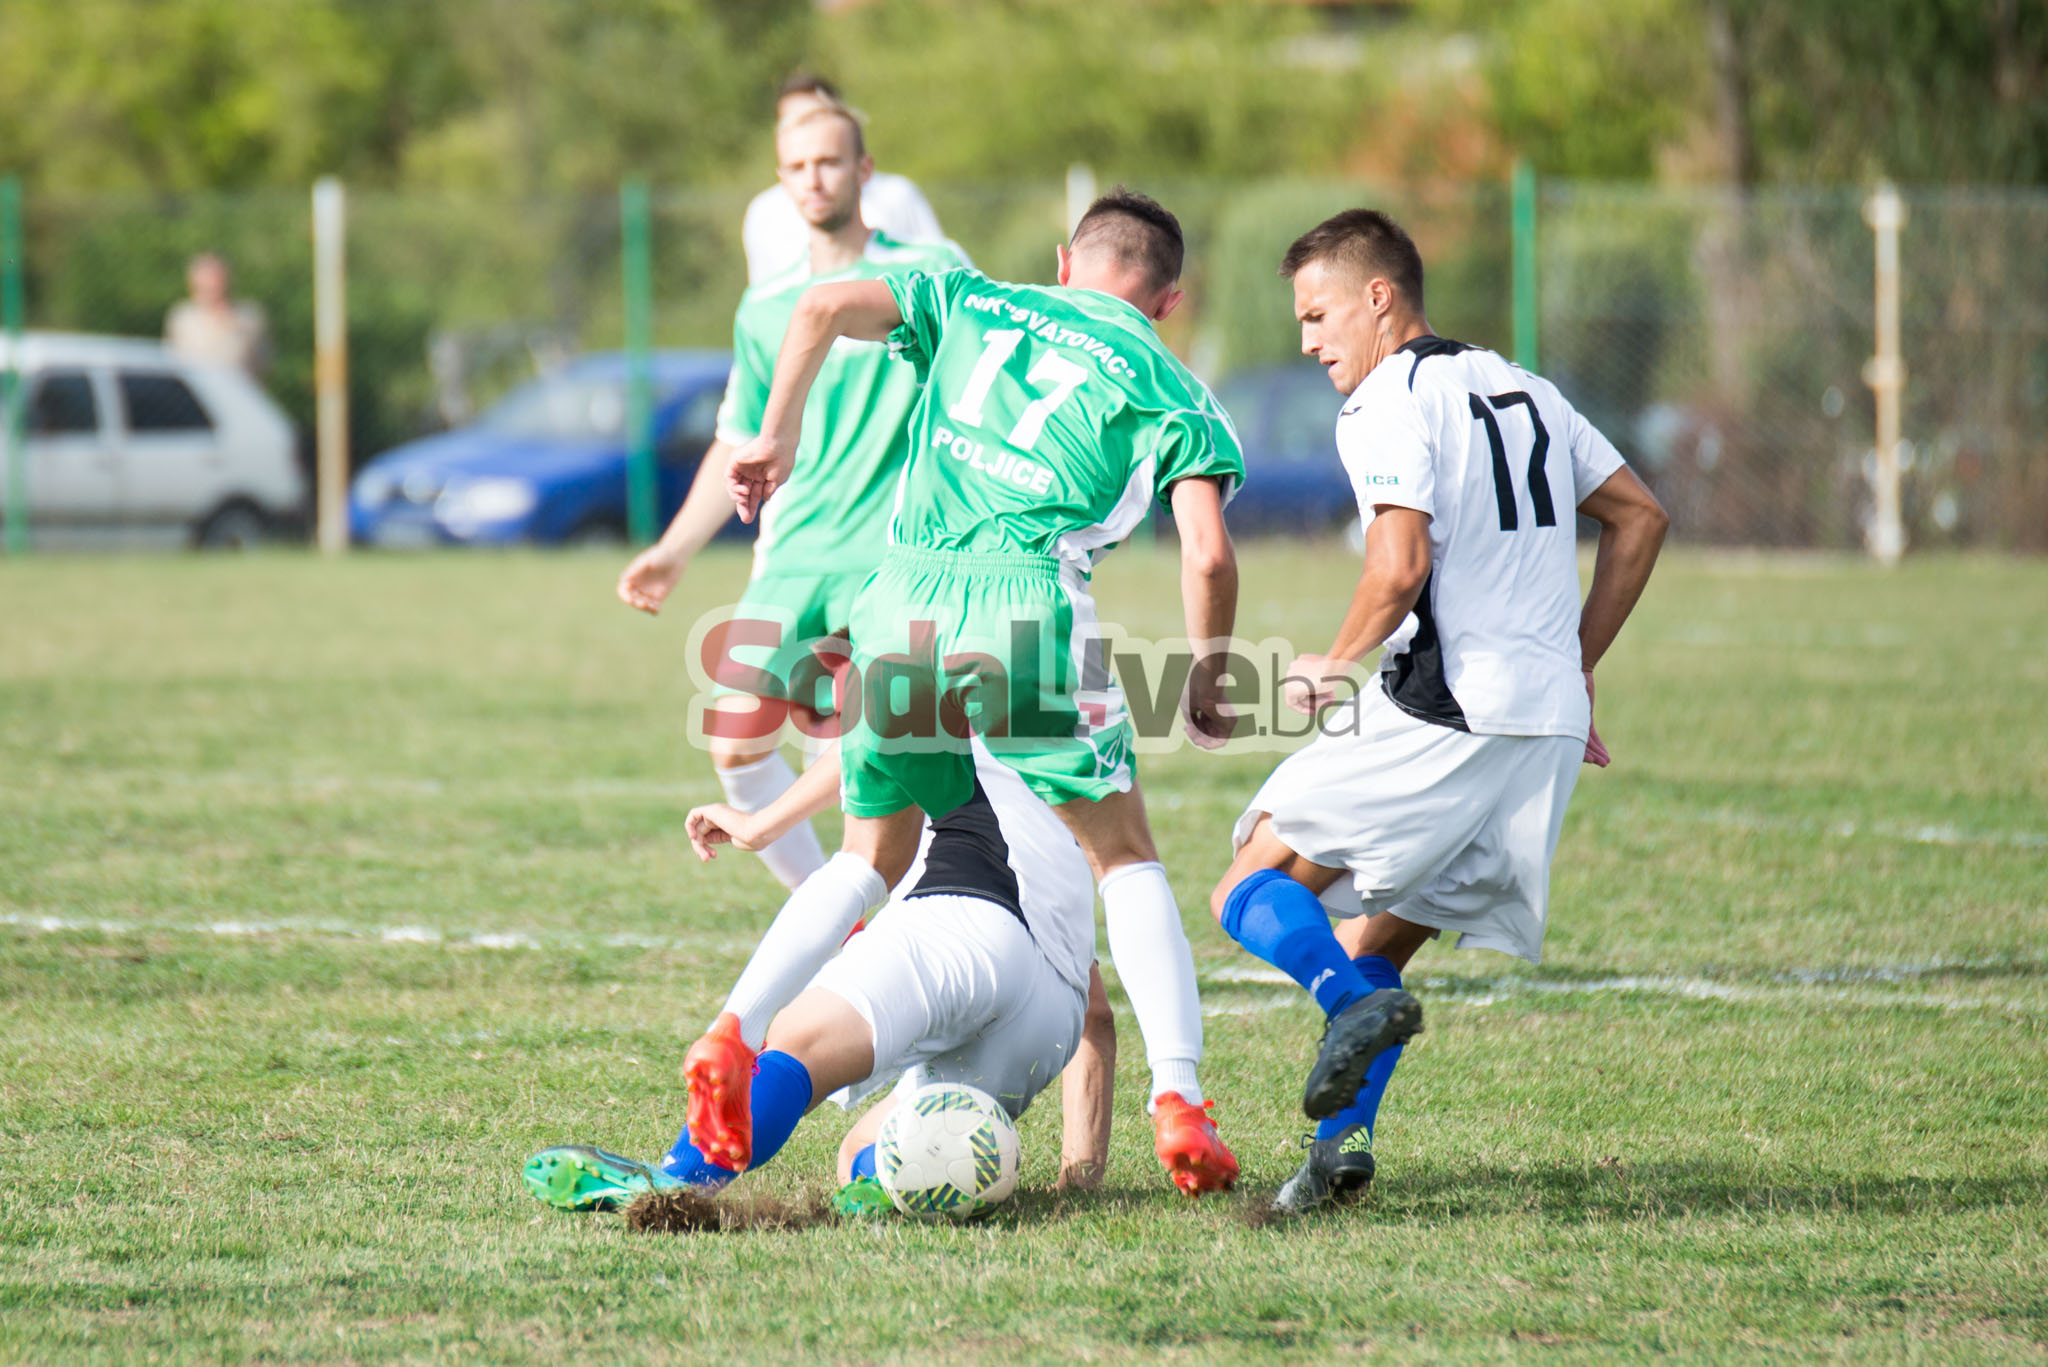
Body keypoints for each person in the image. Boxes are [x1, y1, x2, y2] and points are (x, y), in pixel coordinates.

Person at [698, 188, 1246, 1198]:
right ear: (1169, 301)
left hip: (899, 595)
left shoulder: (967, 294)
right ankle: (1178, 1095)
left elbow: (817, 306)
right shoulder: (1176, 390)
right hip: (1028, 604)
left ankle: (734, 1029)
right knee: (1123, 857)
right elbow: (1207, 553)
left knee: (867, 857)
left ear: (1063, 261)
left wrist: (775, 438)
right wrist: (1208, 674)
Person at [1206, 209, 1668, 1213]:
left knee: (1249, 884)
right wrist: (1578, 664)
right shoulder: (1528, 387)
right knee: (1374, 948)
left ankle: (1345, 1008)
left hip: (1447, 705)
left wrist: (1334, 660)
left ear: (1379, 297)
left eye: (1317, 314)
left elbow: (1399, 563)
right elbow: (1639, 515)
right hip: (1542, 726)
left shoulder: (1385, 398)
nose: (1307, 340)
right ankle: (1337, 1157)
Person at [616, 101, 968, 891]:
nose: (815, 179)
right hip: (797, 552)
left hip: (896, 556)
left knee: (880, 765)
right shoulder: (765, 305)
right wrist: (673, 550)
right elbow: (740, 438)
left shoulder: (931, 270)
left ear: (864, 170)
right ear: (781, 181)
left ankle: (885, 935)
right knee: (734, 745)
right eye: (798, 167)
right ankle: (834, 921)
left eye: (830, 162)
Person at [523, 743, 1099, 1218]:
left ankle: (677, 1181)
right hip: (1055, 1015)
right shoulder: (1076, 736)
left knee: (797, 1044)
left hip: (970, 915)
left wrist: (760, 825)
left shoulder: (927, 660)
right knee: (867, 1156)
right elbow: (1098, 1017)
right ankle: (888, 1187)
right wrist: (1081, 1176)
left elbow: (865, 827)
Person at [740, 75, 946, 285]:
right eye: (792, 118)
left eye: (818, 114)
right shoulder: (764, 213)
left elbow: (939, 280)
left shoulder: (896, 195)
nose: (813, 182)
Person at [164, 253, 269, 378]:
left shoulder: (249, 316)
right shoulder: (182, 317)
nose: (211, 284)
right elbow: (171, 359)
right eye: (205, 280)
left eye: (215, 277)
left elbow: (262, 363)